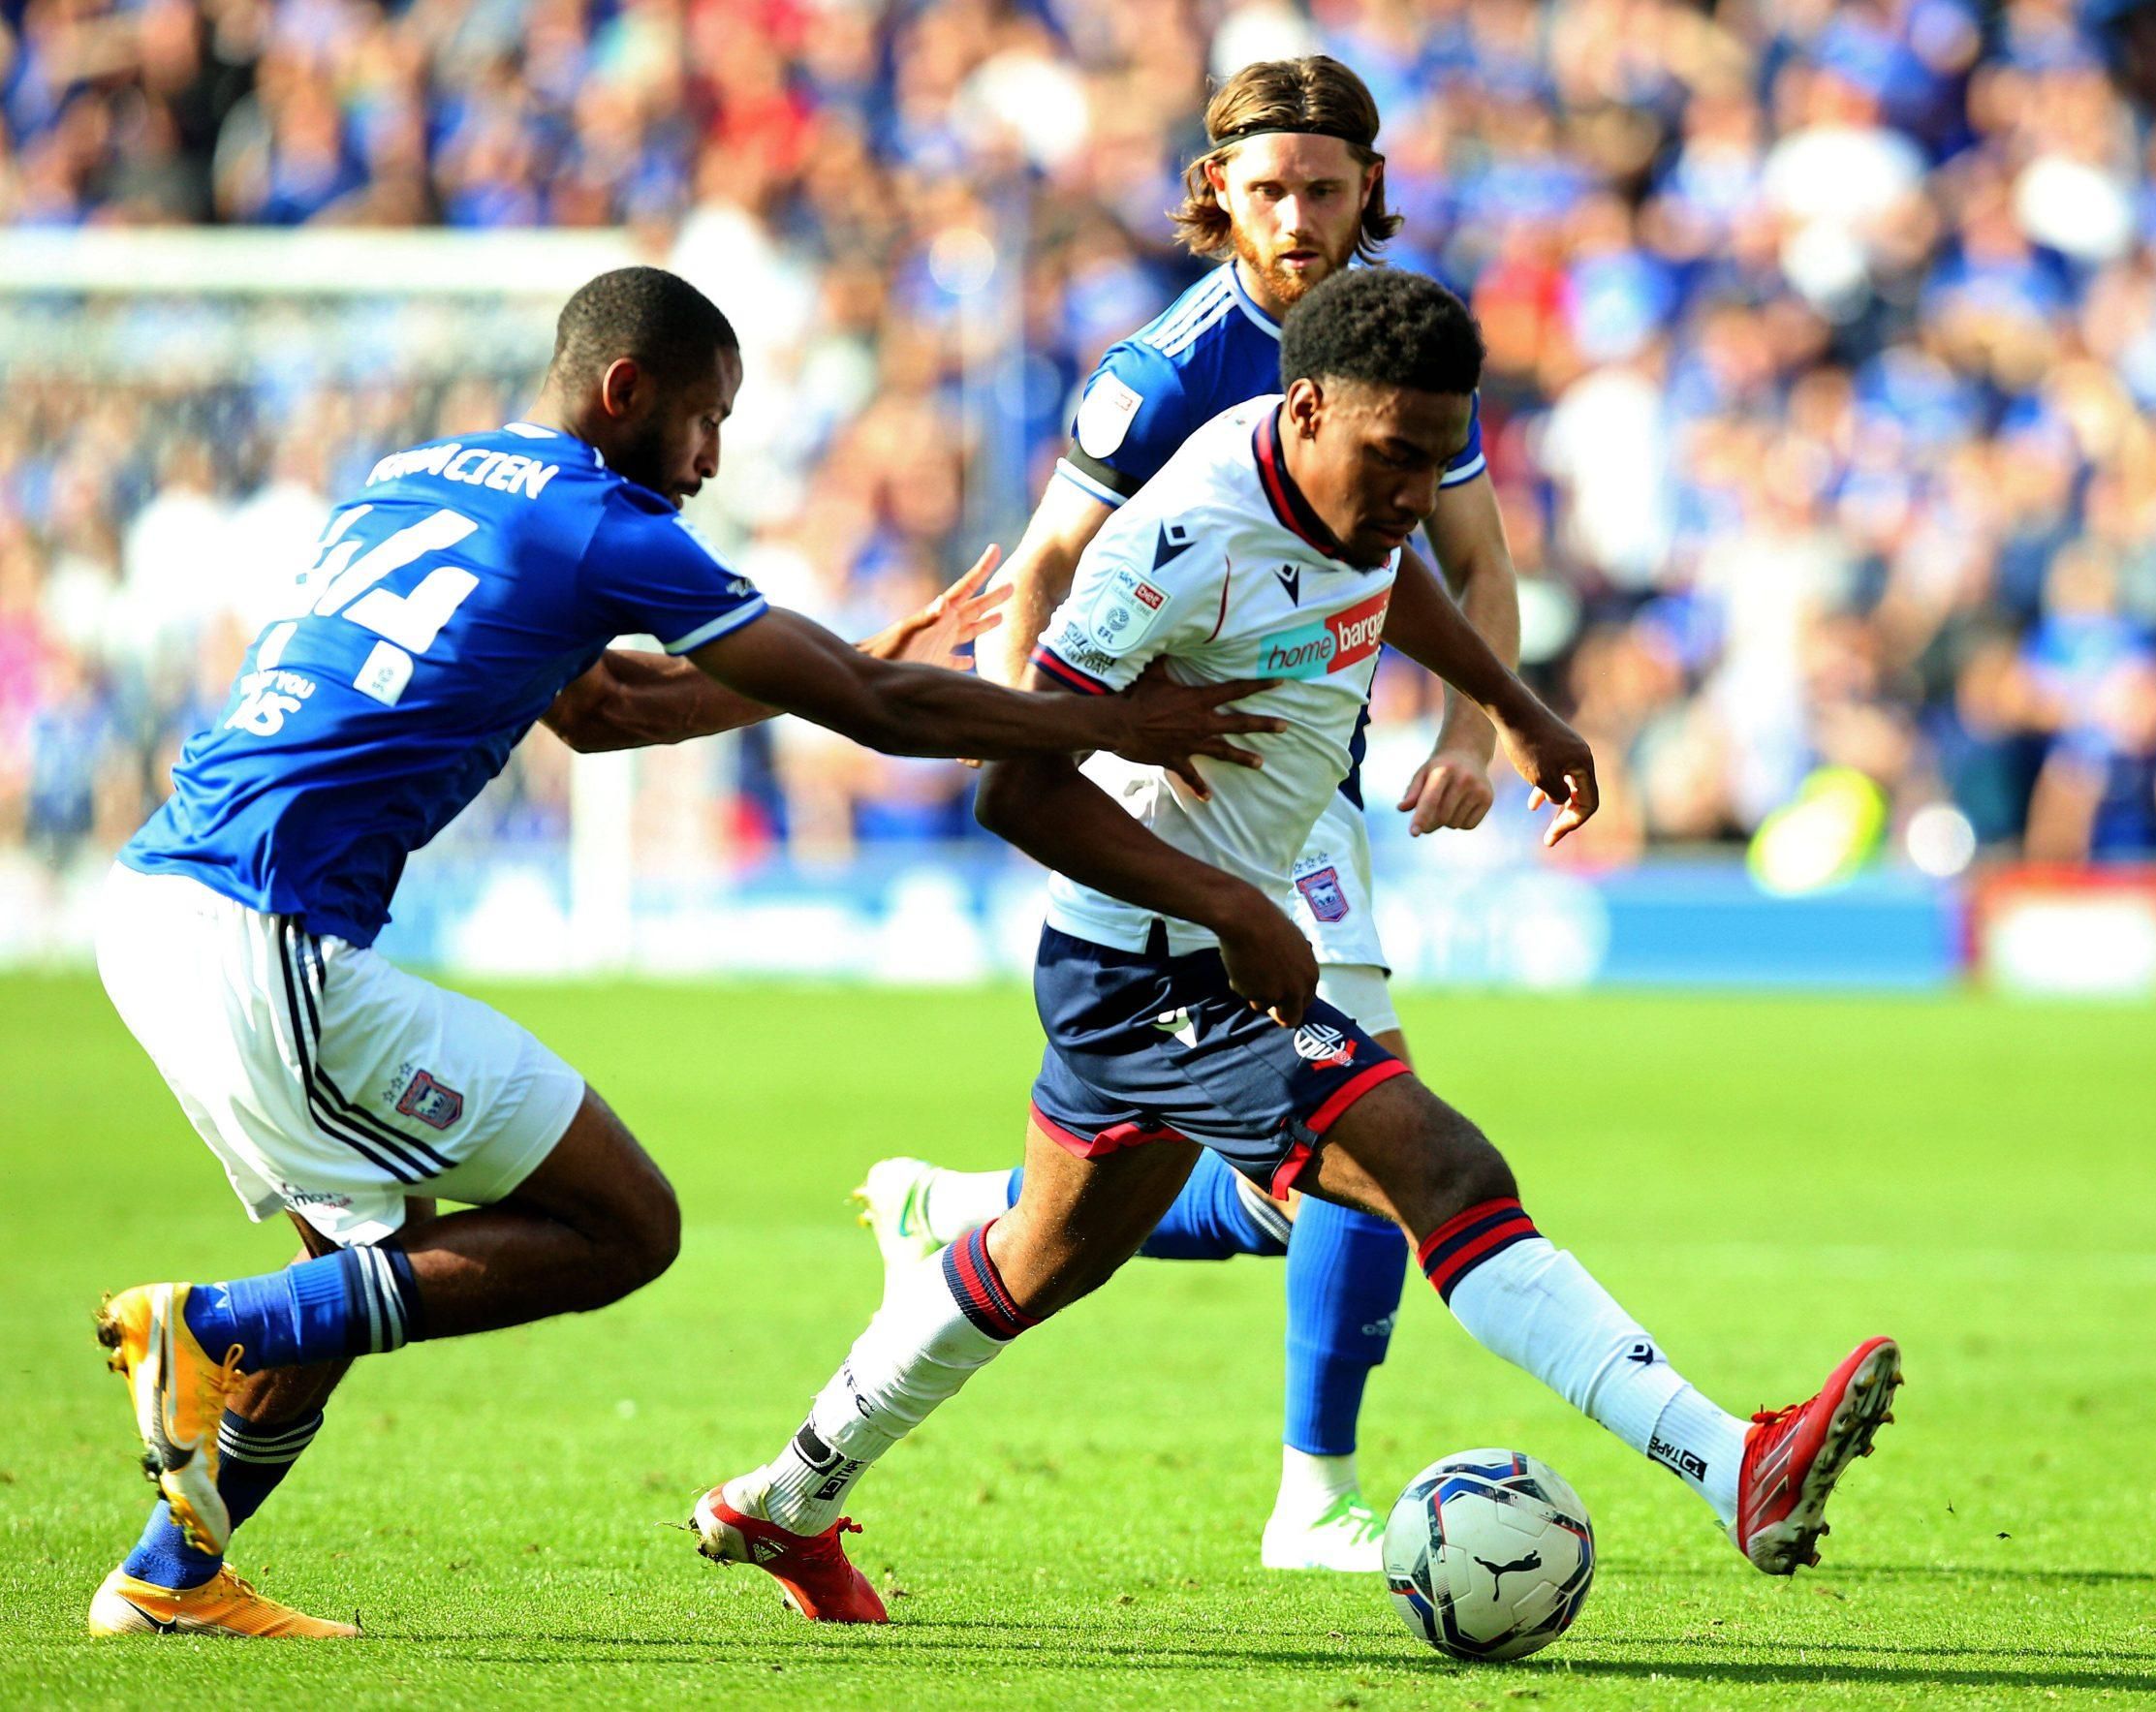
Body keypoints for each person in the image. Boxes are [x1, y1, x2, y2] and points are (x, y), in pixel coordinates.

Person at [84, 265, 1281, 1639]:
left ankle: (170, 1574)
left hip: (164, 910)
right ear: (626, 391)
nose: (713, 457)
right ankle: (213, 1325)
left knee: (362, 1269)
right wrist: (1113, 728)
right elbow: (882, 715)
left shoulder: (421, 473)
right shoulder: (605, 526)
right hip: (264, 935)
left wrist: (848, 656)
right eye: (708, 419)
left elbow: (602, 709)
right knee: (623, 1225)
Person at [693, 267, 1900, 1624]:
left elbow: (1393, 579)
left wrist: (1513, 707)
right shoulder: (1185, 534)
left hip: (1192, 940)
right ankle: (1736, 1462)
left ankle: (783, 1499)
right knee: (1442, 1167)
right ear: (1309, 406)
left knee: (1037, 1259)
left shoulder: (1352, 492)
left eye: (1438, 461)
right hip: (1149, 962)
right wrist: (1229, 909)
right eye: (1394, 457)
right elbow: (1013, 788)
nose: (1412, 493)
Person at [854, 54, 1526, 1574]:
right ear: (1214, 187)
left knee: (1317, 1189)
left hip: (1319, 781)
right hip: (1187, 787)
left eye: (1326, 189)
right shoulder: (1160, 374)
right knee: (1377, 1125)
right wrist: (1066, 767)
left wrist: (1482, 724)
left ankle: (971, 1218)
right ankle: (1316, 1495)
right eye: (1268, 189)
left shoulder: (1402, 347)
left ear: (1371, 189)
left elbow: (1469, 565)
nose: (1296, 218)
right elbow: (1039, 575)